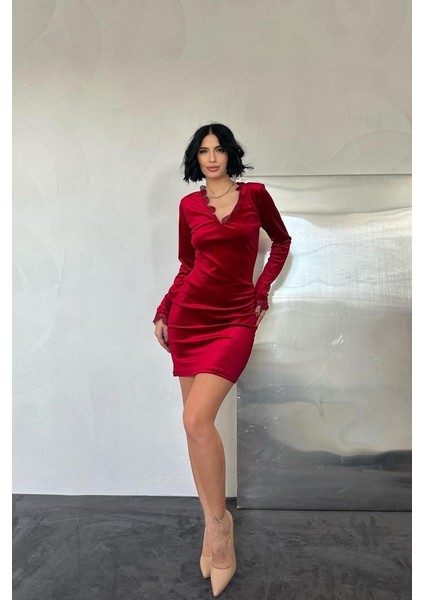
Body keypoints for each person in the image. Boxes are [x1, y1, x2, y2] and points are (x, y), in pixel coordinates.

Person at [153, 123, 291, 596]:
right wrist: (164, 310)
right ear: (196, 159)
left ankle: (220, 529)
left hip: (234, 320)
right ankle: (212, 525)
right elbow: (188, 265)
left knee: (196, 419)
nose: (212, 158)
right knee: (195, 429)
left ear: (231, 154)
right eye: (203, 151)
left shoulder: (255, 196)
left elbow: (281, 242)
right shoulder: (189, 206)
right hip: (190, 318)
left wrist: (261, 289)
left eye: (219, 149)